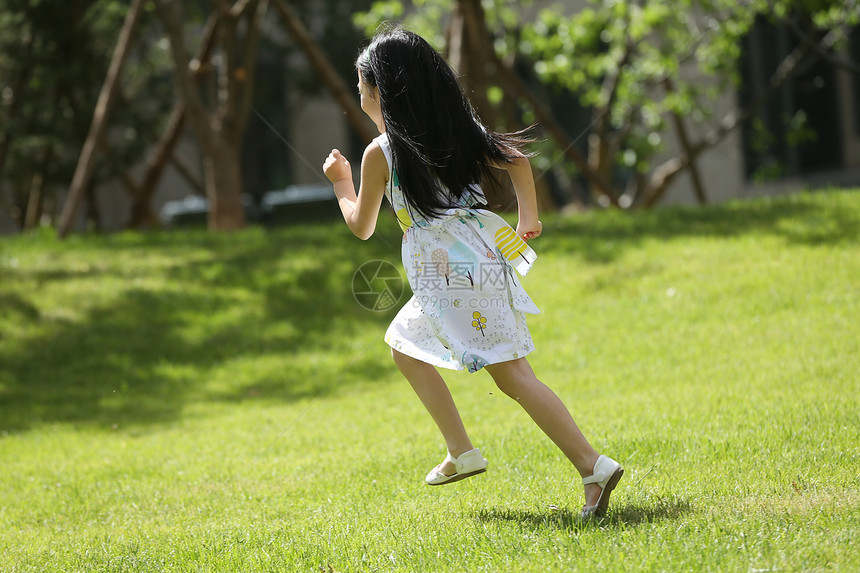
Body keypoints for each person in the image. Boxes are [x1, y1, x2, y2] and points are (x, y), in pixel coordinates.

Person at [322, 27, 623, 518]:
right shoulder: (459, 132)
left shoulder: (381, 152)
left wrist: (341, 183)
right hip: (478, 259)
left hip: (445, 273)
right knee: (406, 345)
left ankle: (592, 464)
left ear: (380, 92)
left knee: (513, 376)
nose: (360, 99)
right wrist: (528, 218)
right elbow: (519, 162)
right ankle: (461, 450)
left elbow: (361, 225)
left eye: (362, 90)